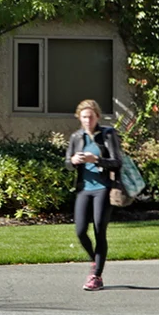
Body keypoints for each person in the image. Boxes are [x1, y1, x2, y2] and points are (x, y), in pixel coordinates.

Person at [66, 98, 124, 292]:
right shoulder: (77, 137)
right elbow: (67, 162)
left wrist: (97, 159)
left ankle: (96, 276)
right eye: (83, 117)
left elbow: (117, 161)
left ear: (97, 116)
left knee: (100, 229)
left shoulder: (108, 135)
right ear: (79, 118)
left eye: (90, 117)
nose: (87, 120)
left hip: (103, 189)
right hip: (84, 188)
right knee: (80, 230)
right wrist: (74, 160)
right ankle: (95, 259)